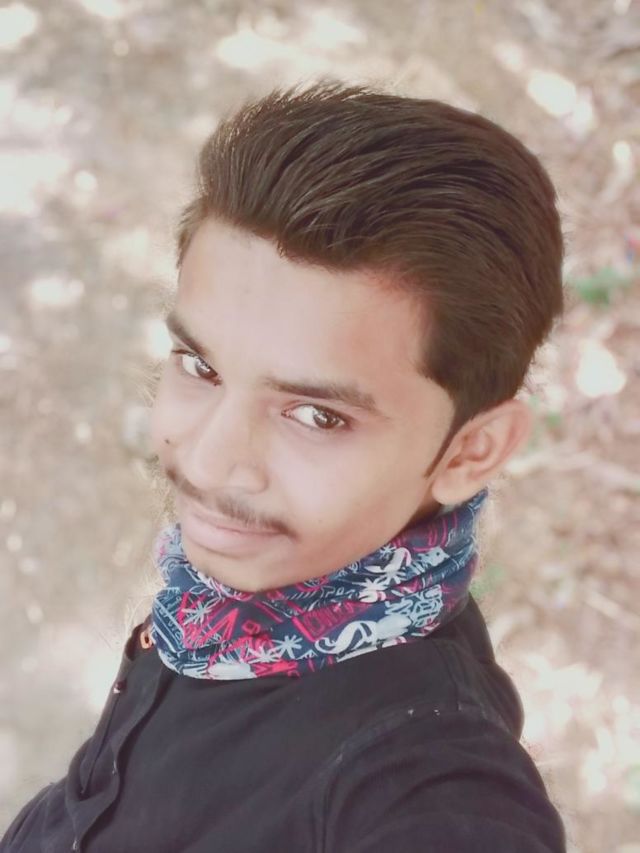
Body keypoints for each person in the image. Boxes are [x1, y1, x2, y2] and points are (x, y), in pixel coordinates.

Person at [2, 82, 567, 852]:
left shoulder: (424, 784)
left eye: (317, 415)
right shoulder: (244, 592)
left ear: (472, 451)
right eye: (200, 366)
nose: (207, 460)